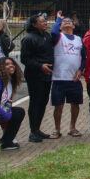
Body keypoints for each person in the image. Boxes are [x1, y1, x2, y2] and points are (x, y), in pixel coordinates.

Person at [20, 13, 56, 143]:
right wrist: (40, 66)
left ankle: (38, 129)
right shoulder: (29, 39)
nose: (45, 23)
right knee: (35, 102)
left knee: (43, 102)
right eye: (41, 22)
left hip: (47, 75)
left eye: (45, 21)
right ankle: (32, 131)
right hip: (35, 75)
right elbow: (24, 59)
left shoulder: (47, 36)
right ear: (34, 24)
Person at [49, 13, 85, 138]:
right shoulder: (58, 37)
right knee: (58, 105)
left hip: (74, 79)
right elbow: (53, 32)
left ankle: (73, 127)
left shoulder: (79, 40)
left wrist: (80, 70)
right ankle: (57, 129)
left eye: (70, 21)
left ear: (74, 26)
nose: (68, 22)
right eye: (64, 22)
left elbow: (84, 57)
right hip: (59, 78)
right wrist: (59, 19)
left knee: (75, 104)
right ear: (60, 26)